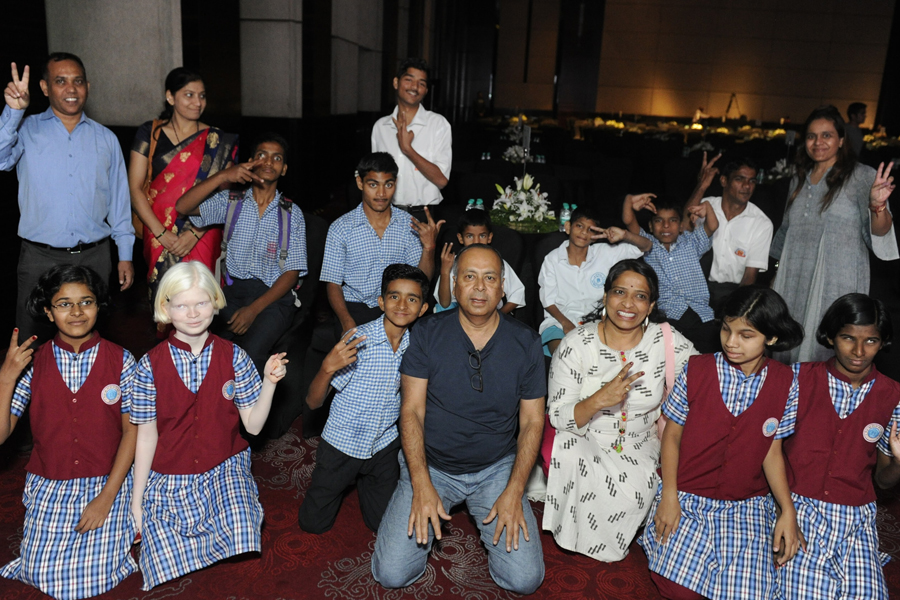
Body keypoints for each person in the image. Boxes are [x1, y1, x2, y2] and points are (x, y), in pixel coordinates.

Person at [371, 244, 546, 595]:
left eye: (489, 278)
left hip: (496, 467)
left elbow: (531, 422)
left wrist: (515, 490)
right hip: (431, 464)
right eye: (469, 276)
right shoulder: (426, 332)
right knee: (390, 574)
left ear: (502, 287)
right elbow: (411, 410)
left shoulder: (526, 342)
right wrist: (420, 483)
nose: (479, 287)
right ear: (454, 282)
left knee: (525, 580)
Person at [638, 287, 805, 599]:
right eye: (727, 329)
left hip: (743, 504)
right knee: (679, 590)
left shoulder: (786, 382)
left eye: (746, 334)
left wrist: (787, 510)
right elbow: (672, 436)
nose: (731, 341)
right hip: (687, 495)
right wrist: (669, 497)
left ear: (770, 338)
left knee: (749, 593)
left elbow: (772, 450)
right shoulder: (697, 369)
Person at [130, 261, 288, 590]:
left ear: (215, 302)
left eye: (201, 303)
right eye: (182, 305)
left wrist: (270, 383)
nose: (192, 313)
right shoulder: (148, 366)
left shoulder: (235, 356)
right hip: (170, 469)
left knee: (244, 531)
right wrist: (137, 500)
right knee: (157, 560)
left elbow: (254, 427)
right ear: (165, 308)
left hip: (223, 463)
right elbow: (146, 437)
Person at [543, 260, 696, 562]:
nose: (628, 303)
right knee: (571, 450)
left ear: (651, 305)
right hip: (588, 436)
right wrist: (599, 399)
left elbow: (704, 381)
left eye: (640, 296)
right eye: (619, 292)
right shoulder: (577, 344)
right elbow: (558, 415)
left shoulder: (665, 341)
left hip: (641, 443)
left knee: (638, 490)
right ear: (605, 297)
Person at [0, 265, 137, 599]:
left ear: (98, 307)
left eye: (86, 301)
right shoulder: (34, 364)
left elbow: (133, 433)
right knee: (39, 571)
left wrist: (106, 499)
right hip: (52, 479)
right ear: (48, 311)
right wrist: (6, 378)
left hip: (108, 478)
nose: (76, 312)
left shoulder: (122, 360)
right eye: (63, 304)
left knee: (97, 576)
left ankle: (126, 523)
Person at [1, 55, 134, 341]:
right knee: (29, 341)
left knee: (90, 340)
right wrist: (12, 113)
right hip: (39, 256)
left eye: (78, 81)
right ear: (45, 87)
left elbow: (120, 202)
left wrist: (125, 255)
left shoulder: (106, 139)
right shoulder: (26, 130)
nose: (71, 89)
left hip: (94, 258)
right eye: (60, 81)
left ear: (88, 85)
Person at [778, 293, 900, 600]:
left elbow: (884, 479)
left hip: (856, 517)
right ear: (830, 337)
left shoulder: (893, 396)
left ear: (883, 341)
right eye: (848, 338)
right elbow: (765, 450)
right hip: (797, 507)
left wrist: (899, 464)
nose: (858, 351)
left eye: (871, 341)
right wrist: (784, 509)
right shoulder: (797, 379)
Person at [299, 264, 429, 534]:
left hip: (383, 445)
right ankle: (343, 480)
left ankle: (366, 483)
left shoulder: (416, 346)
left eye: (412, 298)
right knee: (313, 524)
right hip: (343, 444)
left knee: (382, 525)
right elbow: (313, 403)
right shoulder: (357, 341)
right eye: (394, 296)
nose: (402, 304)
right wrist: (326, 368)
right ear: (381, 302)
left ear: (423, 308)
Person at [770, 105, 898, 363]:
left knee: (827, 350)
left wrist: (878, 206)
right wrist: (775, 275)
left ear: (841, 140)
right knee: (788, 346)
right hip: (793, 281)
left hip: (836, 283)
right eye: (811, 136)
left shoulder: (862, 176)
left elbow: (881, 231)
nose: (818, 142)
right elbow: (787, 231)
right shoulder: (798, 178)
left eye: (826, 135)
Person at [175, 132, 306, 374]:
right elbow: (183, 207)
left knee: (251, 353)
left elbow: (291, 274)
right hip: (234, 293)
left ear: (284, 169)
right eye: (262, 155)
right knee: (208, 348)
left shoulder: (291, 213)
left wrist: (253, 310)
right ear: (250, 162)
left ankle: (250, 412)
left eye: (277, 158)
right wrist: (224, 175)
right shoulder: (231, 201)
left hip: (274, 298)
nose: (268, 161)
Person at [128, 67, 238, 307]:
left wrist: (196, 232)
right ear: (170, 97)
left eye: (202, 95)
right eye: (189, 95)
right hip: (157, 228)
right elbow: (135, 188)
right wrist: (161, 234)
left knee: (201, 300)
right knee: (166, 302)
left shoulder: (217, 142)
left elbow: (227, 197)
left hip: (203, 232)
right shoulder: (151, 132)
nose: (197, 102)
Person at [321, 152, 442, 335]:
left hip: (397, 307)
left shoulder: (408, 225)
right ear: (360, 183)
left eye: (388, 184)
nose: (381, 193)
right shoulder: (341, 228)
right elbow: (333, 284)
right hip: (355, 306)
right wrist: (347, 321)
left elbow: (420, 280)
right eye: (373, 184)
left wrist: (429, 248)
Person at [538, 204, 651, 356]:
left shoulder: (604, 252)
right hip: (560, 321)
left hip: (598, 321)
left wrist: (624, 235)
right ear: (568, 227)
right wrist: (566, 325)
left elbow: (646, 246)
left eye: (590, 230)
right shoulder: (552, 259)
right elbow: (548, 300)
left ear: (596, 234)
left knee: (605, 360)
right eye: (579, 226)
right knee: (562, 356)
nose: (584, 232)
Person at [623, 194, 720, 353]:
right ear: (651, 226)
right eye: (659, 221)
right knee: (672, 357)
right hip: (669, 315)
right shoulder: (648, 245)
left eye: (673, 220)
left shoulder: (691, 242)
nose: (666, 226)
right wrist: (629, 201)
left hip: (701, 312)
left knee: (708, 354)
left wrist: (708, 207)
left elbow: (712, 225)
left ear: (681, 225)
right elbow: (628, 221)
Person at [683, 153, 774, 309]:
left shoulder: (761, 223)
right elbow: (683, 227)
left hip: (732, 292)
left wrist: (733, 308)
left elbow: (749, 276)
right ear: (724, 181)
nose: (747, 186)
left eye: (752, 181)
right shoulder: (707, 206)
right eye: (740, 179)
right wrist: (702, 185)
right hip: (694, 287)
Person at [371, 58, 451, 222]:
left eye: (421, 83)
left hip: (423, 216)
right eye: (409, 80)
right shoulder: (381, 127)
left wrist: (408, 149)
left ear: (426, 90)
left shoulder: (438, 124)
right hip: (386, 214)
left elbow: (442, 180)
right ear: (396, 82)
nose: (414, 87)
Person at [435, 209, 525, 314]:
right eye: (470, 236)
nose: (476, 241)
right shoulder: (452, 262)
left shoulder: (497, 262)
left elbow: (517, 294)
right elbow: (444, 304)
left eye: (482, 236)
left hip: (490, 309)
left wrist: (499, 317)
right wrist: (445, 272)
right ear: (460, 238)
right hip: (458, 312)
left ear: (489, 237)